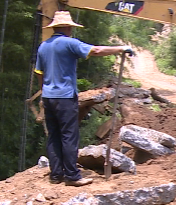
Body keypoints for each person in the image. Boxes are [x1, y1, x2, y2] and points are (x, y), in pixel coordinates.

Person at [35, 11, 133, 186]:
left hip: (49, 97)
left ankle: (56, 175)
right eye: (70, 27)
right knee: (69, 136)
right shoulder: (69, 43)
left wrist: (44, 92)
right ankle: (72, 176)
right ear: (66, 27)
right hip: (65, 97)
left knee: (54, 136)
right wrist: (120, 49)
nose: (71, 30)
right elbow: (95, 50)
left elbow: (39, 73)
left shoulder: (43, 46)